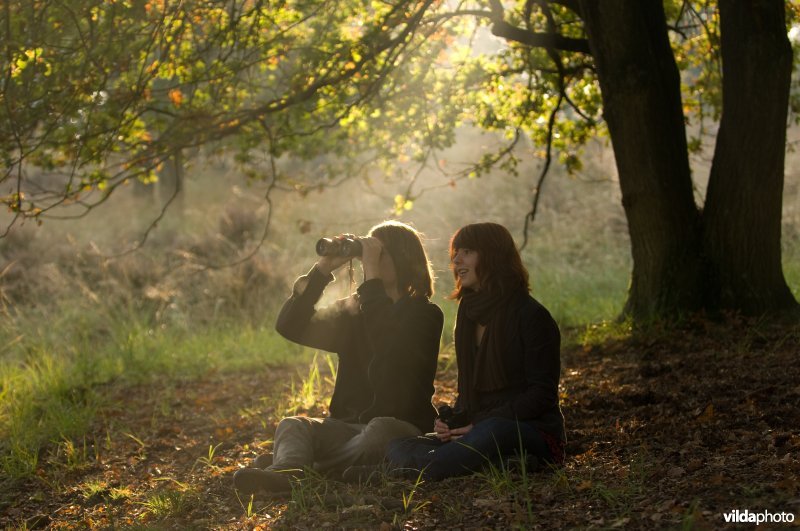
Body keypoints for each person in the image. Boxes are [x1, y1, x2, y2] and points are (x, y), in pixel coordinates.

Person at [233, 220, 443, 495]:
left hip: (400, 426)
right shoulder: (353, 312)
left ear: (404, 259)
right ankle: (289, 472)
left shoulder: (424, 315)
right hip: (348, 428)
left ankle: (302, 468)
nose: (374, 262)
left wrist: (371, 280)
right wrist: (321, 271)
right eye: (371, 255)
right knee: (294, 425)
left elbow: (387, 344)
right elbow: (291, 326)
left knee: (379, 431)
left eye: (382, 255)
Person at [386, 222, 565, 481]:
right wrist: (453, 422)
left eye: (467, 251)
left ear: (493, 256)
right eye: (455, 253)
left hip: (532, 430)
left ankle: (404, 469)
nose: (456, 260)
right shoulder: (468, 314)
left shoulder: (532, 316)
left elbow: (542, 395)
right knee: (398, 444)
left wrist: (479, 424)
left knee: (493, 431)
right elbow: (469, 392)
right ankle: (499, 462)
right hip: (481, 427)